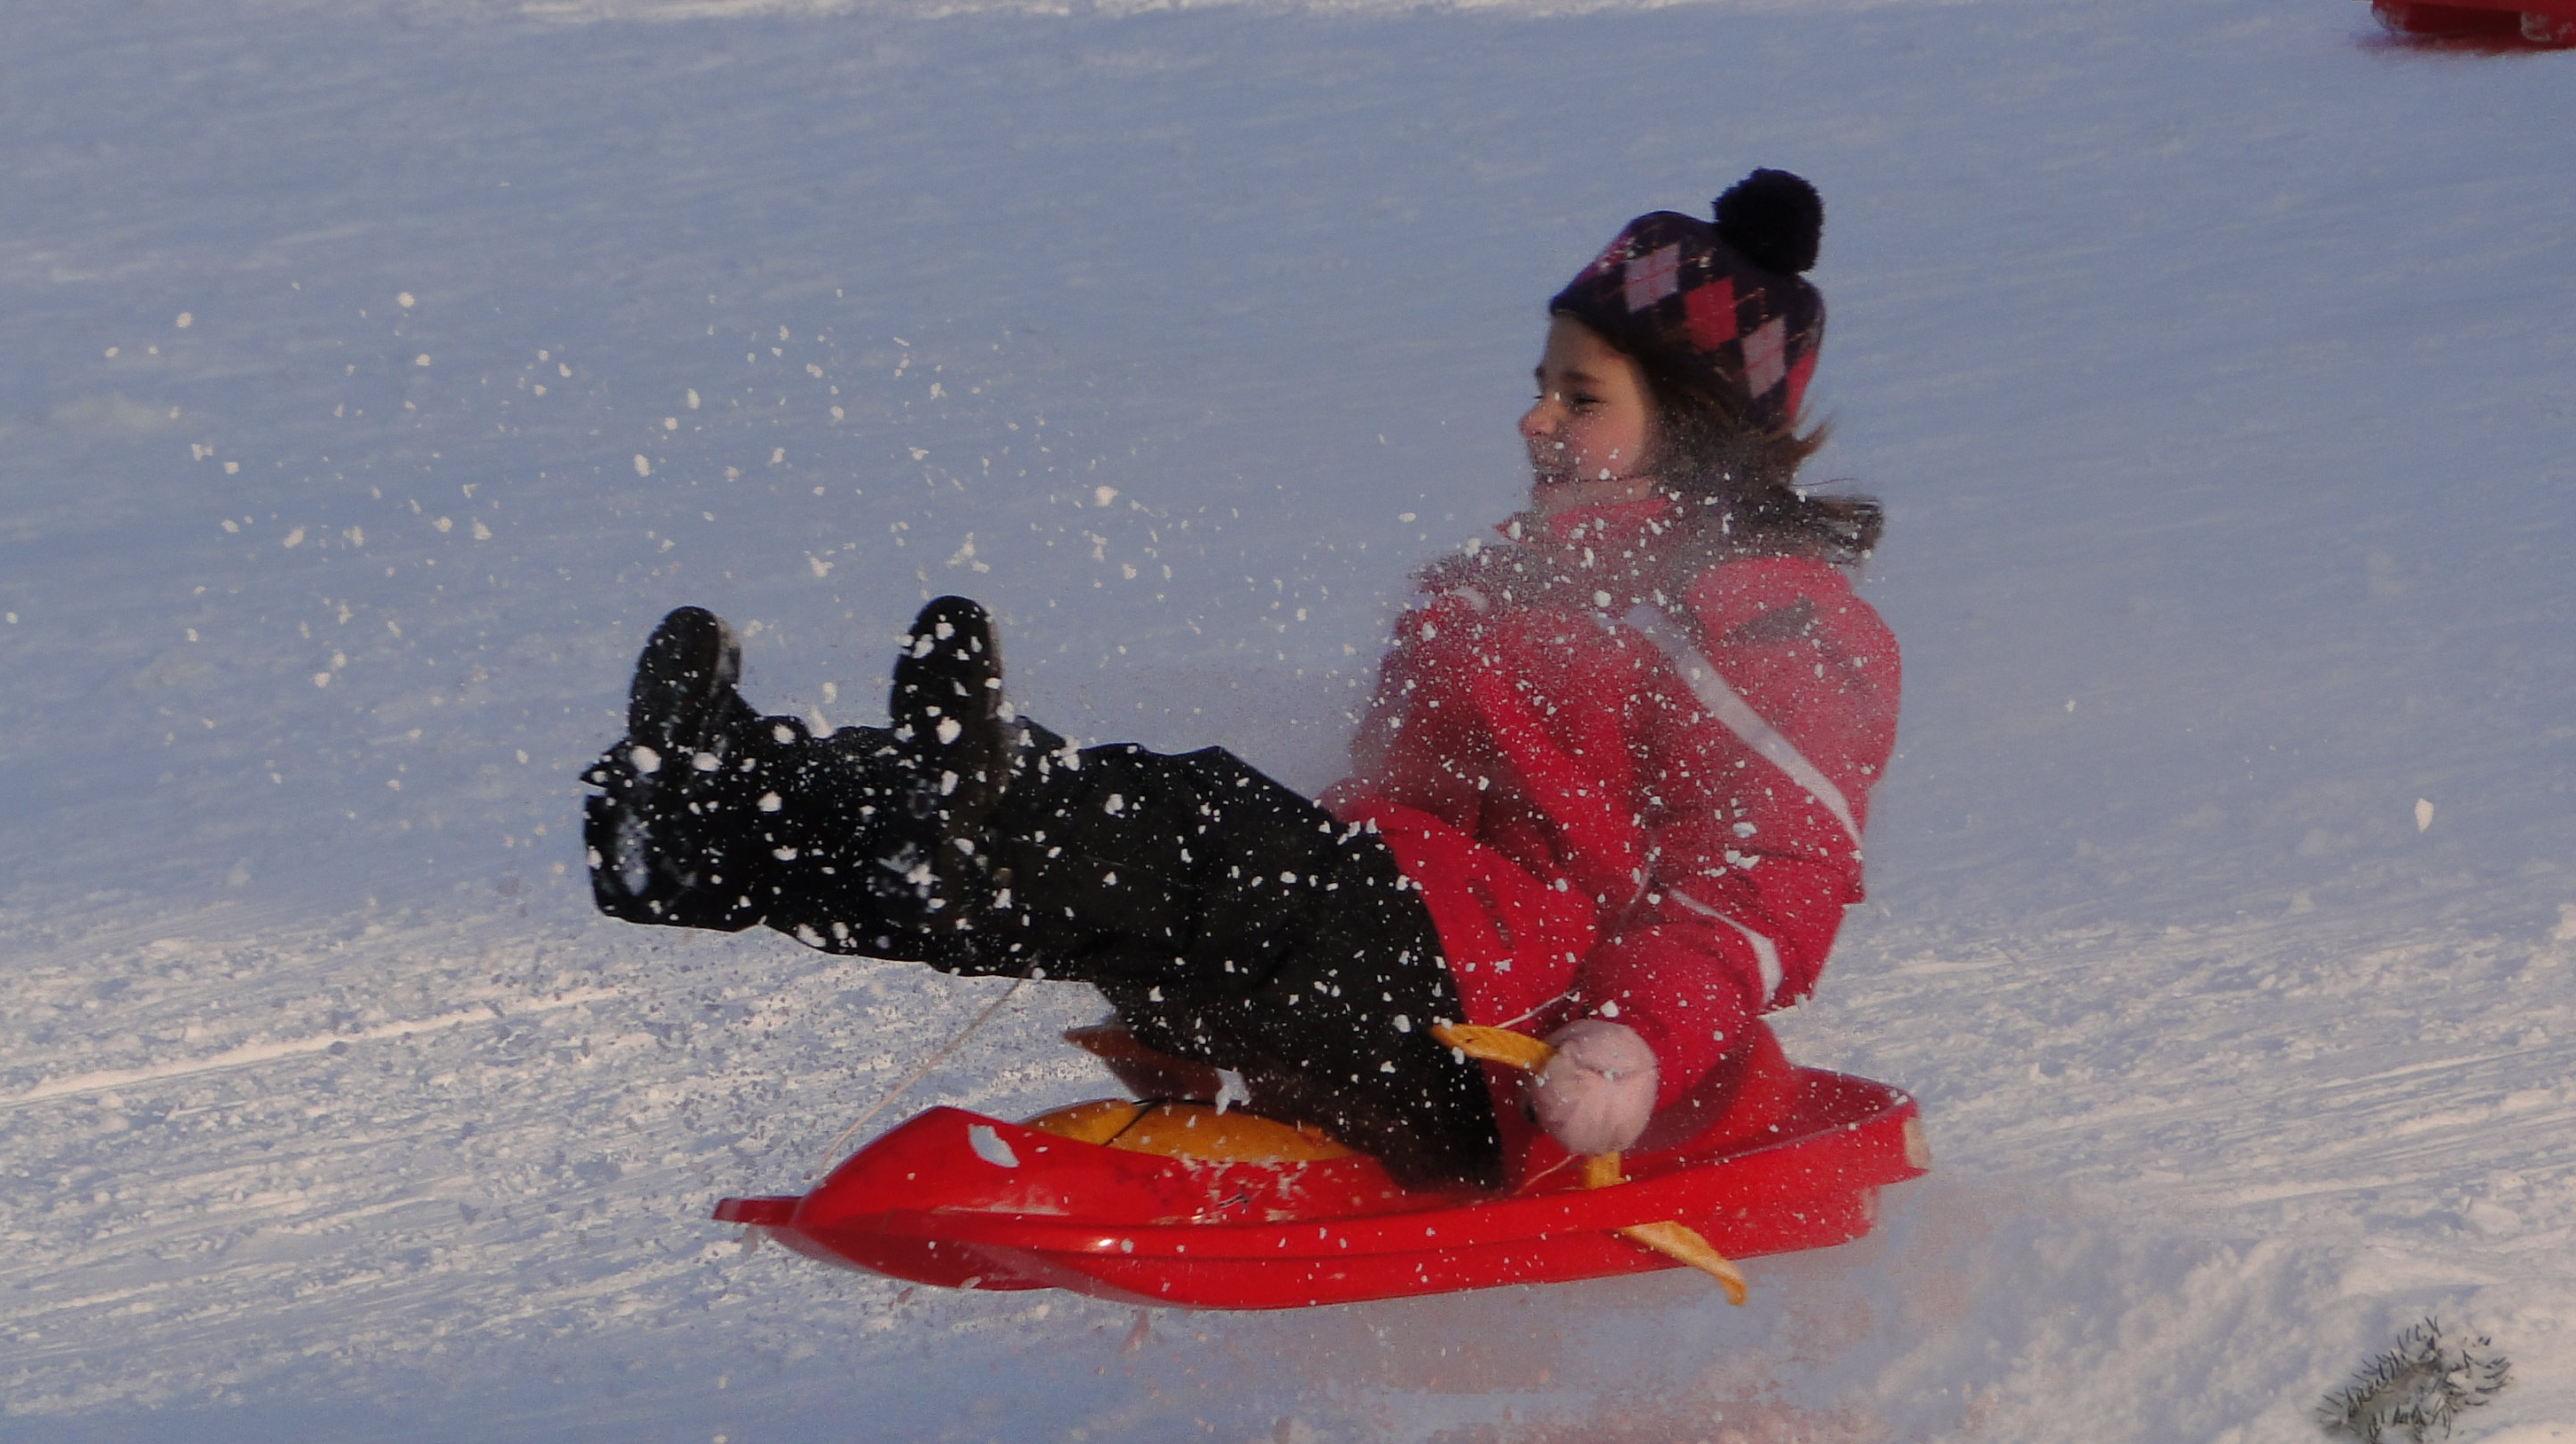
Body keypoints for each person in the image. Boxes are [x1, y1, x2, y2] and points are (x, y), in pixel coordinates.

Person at [580, 168, 1898, 1194]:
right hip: (1394, 952)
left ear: (1698, 432)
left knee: (1198, 829)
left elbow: (1770, 876)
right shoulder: (1491, 588)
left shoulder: (1764, 620)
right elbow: (1395, 797)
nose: (1534, 421)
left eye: (1579, 395)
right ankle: (724, 824)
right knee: (1121, 859)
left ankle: (967, 824)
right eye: (1539, 386)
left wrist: (1633, 1046)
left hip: (1508, 1041)